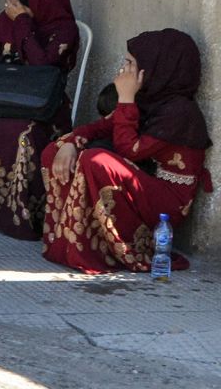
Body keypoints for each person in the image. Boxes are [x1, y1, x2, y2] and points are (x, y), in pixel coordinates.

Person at [41, 29, 212, 273]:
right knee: (55, 150)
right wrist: (70, 143)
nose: (124, 71)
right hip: (142, 183)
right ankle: (73, 241)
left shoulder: (179, 113)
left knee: (96, 160)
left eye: (131, 64)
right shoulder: (149, 99)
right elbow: (98, 127)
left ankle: (108, 250)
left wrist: (126, 99)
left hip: (166, 203)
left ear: (156, 68)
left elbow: (129, 150)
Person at [0, 0, 78, 240]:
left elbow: (42, 68)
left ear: (40, 3)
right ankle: (5, 203)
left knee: (24, 134)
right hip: (5, 99)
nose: (10, 9)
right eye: (9, 1)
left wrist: (24, 24)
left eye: (19, 3)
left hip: (44, 108)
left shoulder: (64, 30)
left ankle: (29, 212)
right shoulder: (9, 20)